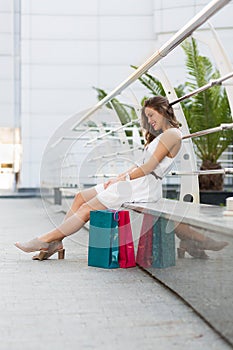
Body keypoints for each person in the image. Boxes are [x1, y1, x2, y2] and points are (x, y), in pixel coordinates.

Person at [15, 95, 228, 260]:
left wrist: (120, 181)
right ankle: (56, 241)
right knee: (81, 197)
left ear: (164, 111)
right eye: (147, 117)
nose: (150, 121)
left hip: (142, 187)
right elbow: (140, 165)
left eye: (152, 115)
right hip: (135, 182)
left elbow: (148, 167)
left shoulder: (172, 134)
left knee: (86, 209)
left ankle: (46, 240)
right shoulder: (161, 136)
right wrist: (118, 177)